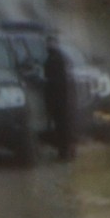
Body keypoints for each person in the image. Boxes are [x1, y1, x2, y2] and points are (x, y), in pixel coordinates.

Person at [44, 34, 76, 162]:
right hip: (59, 97)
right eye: (48, 43)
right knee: (62, 126)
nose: (48, 45)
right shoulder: (55, 57)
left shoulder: (56, 59)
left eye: (50, 43)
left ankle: (65, 153)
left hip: (59, 98)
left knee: (62, 126)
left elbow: (57, 80)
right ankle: (66, 151)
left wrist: (46, 81)